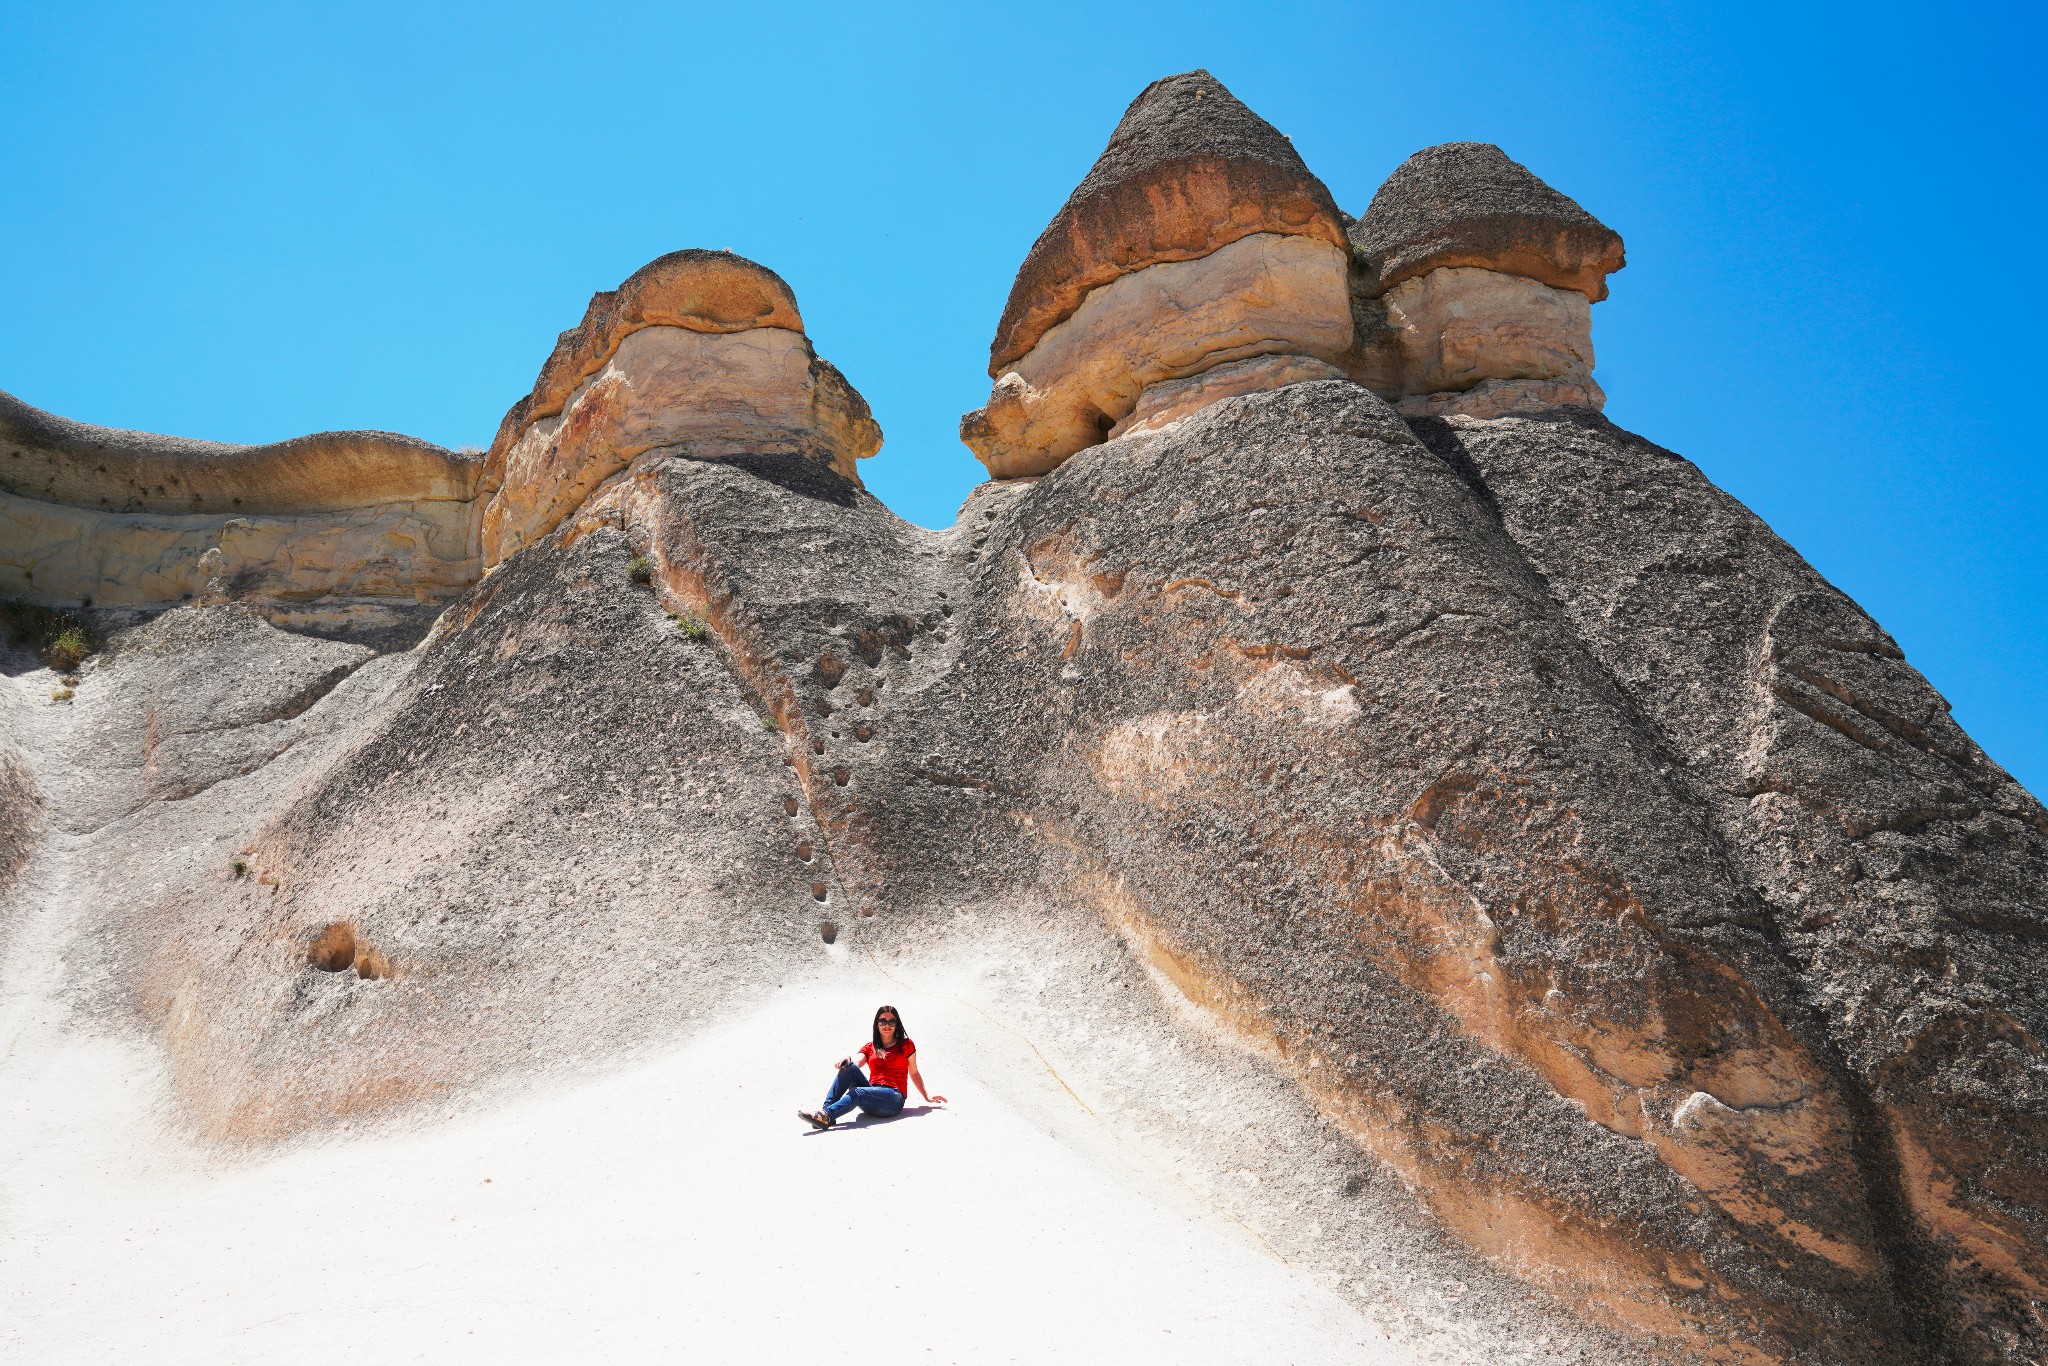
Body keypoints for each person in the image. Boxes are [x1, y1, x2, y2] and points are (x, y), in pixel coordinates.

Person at [799, 1004, 945, 1129]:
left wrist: (927, 1096)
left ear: (896, 1025)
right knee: (847, 1067)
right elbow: (856, 1063)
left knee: (858, 1092)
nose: (887, 1025)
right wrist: (847, 1059)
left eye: (891, 1021)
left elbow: (913, 1072)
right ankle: (826, 1112)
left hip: (893, 1098)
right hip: (872, 1094)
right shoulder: (870, 1047)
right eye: (883, 1021)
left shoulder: (906, 1045)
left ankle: (826, 1116)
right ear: (877, 1023)